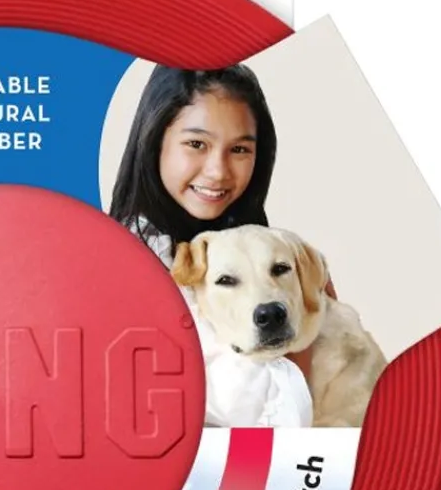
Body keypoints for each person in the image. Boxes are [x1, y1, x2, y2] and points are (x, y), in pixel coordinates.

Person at [110, 65, 312, 427]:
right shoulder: (130, 266)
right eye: (196, 144)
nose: (218, 171)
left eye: (239, 149)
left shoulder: (271, 252)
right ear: (155, 140)